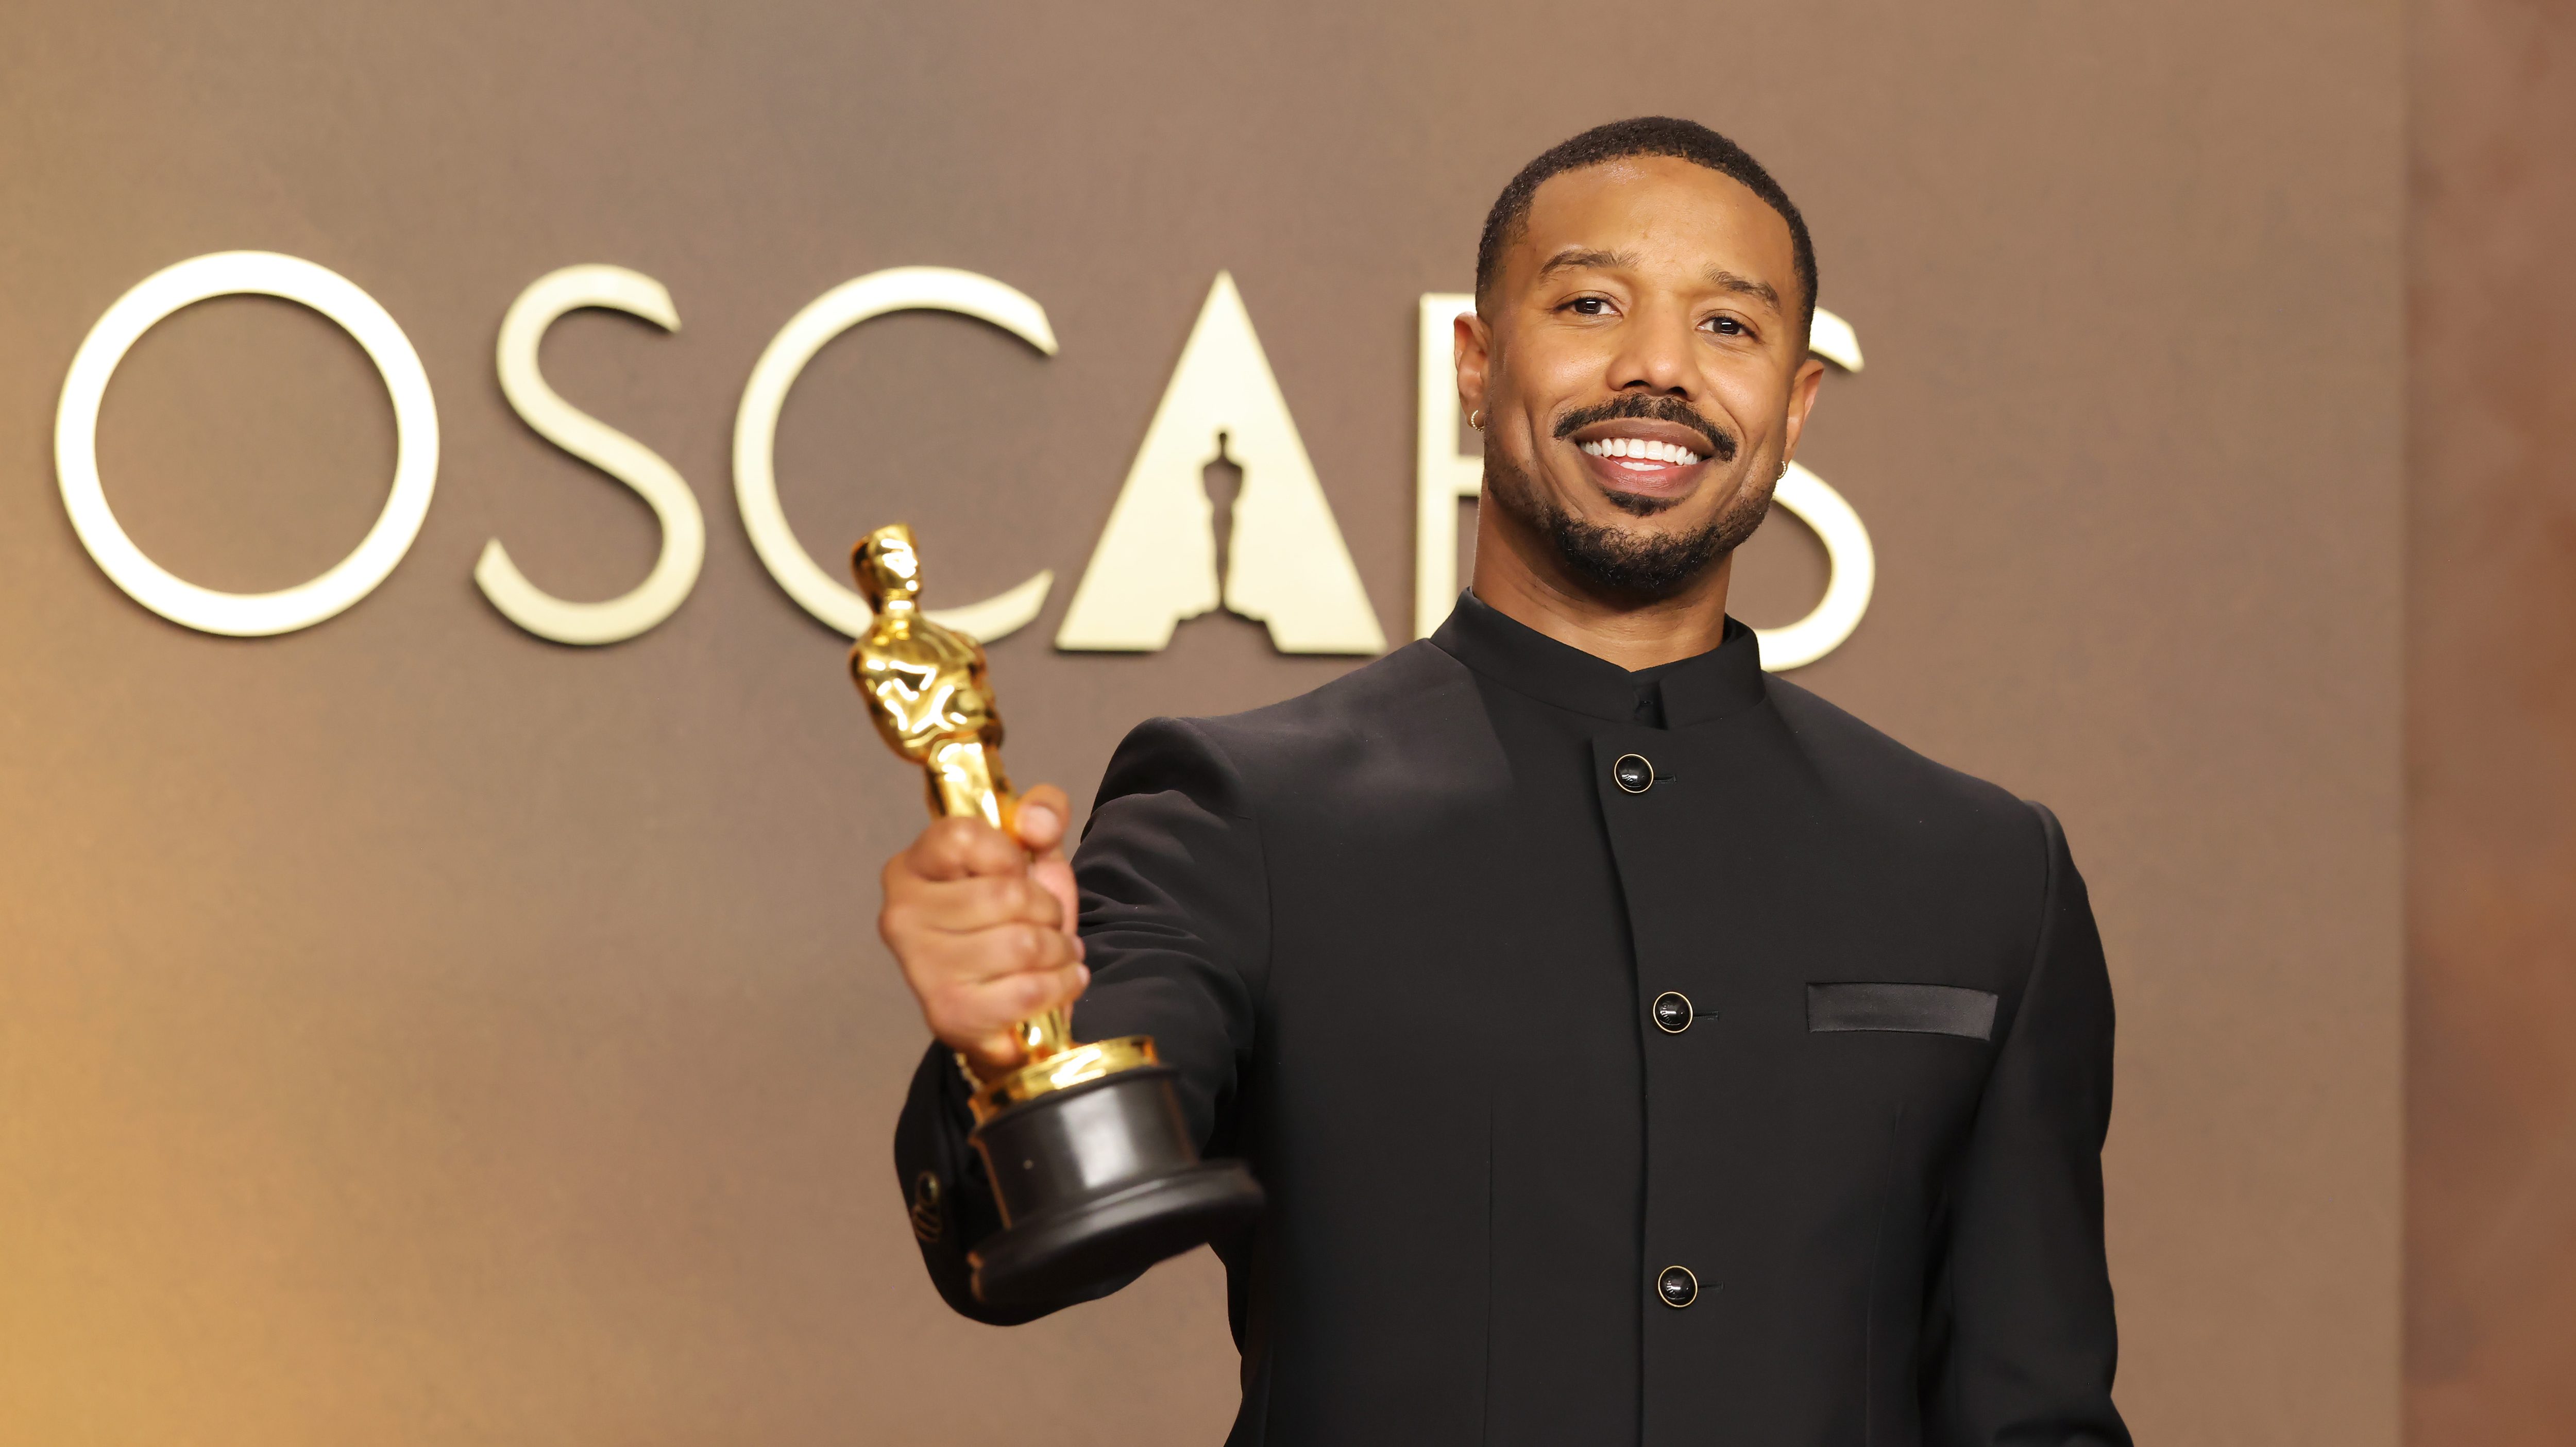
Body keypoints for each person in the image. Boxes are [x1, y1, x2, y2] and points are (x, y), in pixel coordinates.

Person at [880, 116, 2131, 1446]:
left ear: (1798, 405)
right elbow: (1046, 1236)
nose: (1658, 368)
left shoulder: (1985, 871)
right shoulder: (1243, 812)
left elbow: (2032, 1412)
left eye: (1730, 327)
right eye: (1592, 303)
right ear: (1477, 367)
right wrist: (1003, 1042)